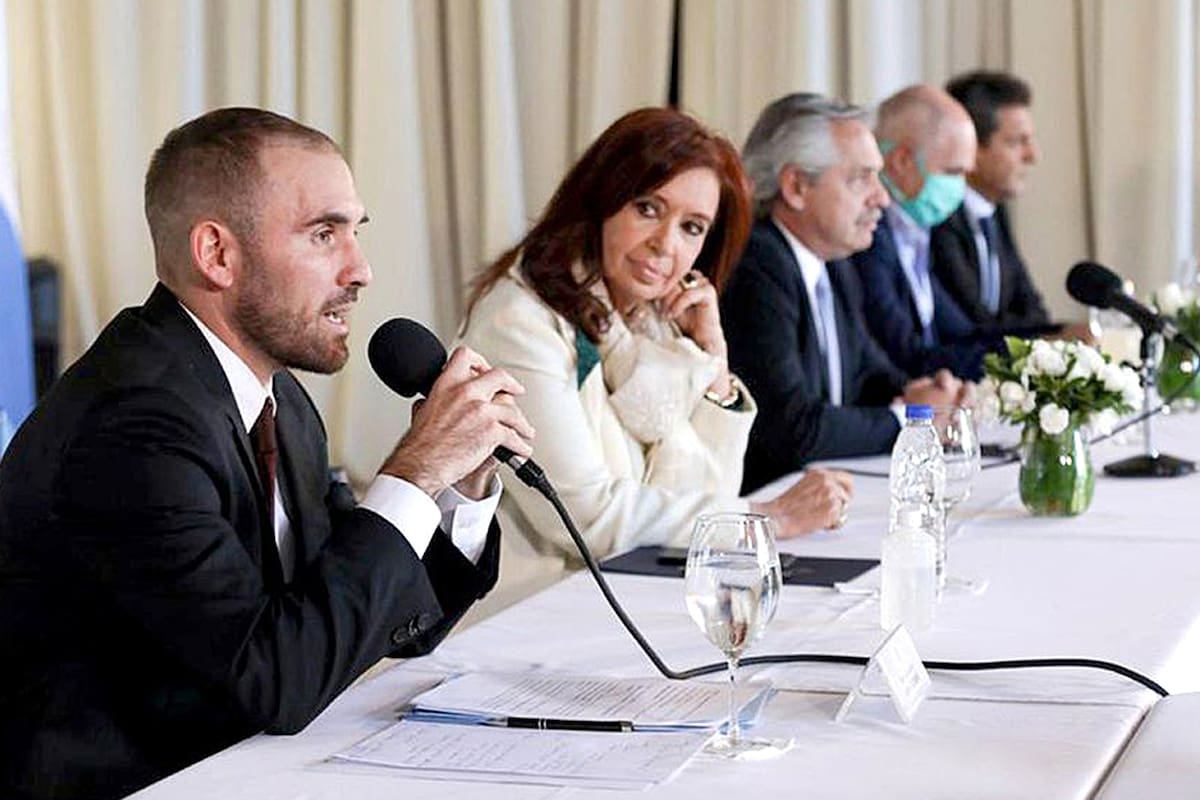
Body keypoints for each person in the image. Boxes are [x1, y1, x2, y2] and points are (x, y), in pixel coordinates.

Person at [0, 108, 534, 800]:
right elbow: (276, 679)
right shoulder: (135, 423)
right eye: (323, 234)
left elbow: (361, 619)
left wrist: (457, 487)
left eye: (355, 233)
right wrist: (414, 472)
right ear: (217, 254)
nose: (361, 270)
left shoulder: (277, 402)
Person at [459, 107, 852, 610]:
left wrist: (715, 363)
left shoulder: (652, 322)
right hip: (536, 609)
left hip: (636, 595)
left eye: (692, 228)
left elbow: (707, 488)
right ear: (600, 201)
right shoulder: (519, 322)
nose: (665, 244)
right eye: (647, 208)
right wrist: (765, 519)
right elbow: (586, 517)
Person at [722, 93, 964, 493]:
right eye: (861, 178)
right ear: (796, 186)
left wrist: (925, 392)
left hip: (824, 494)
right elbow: (793, 429)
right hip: (764, 513)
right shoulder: (755, 266)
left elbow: (866, 373)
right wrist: (913, 418)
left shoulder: (833, 261)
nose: (882, 197)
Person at [850, 84, 1005, 380]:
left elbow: (962, 334)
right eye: (952, 172)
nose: (960, 188)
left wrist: (1046, 348)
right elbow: (908, 355)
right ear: (901, 162)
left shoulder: (917, 230)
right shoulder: (867, 240)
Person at [934, 70, 1089, 339]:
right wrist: (1051, 338)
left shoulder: (994, 209)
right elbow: (971, 325)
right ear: (971, 146)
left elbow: (1031, 308)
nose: (1032, 156)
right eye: (1017, 142)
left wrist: (1065, 334)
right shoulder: (939, 216)